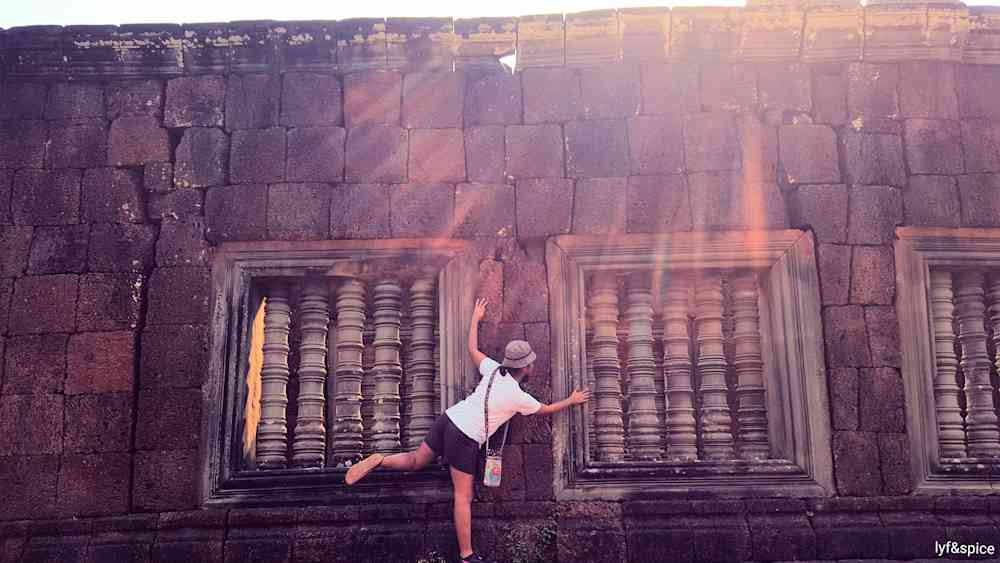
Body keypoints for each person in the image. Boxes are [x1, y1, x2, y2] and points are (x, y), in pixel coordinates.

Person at [345, 297, 591, 563]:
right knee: (463, 496)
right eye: (530, 363)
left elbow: (472, 349)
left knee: (416, 459)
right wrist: (572, 400)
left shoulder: (493, 370)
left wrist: (475, 317)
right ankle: (466, 556)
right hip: (465, 436)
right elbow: (546, 409)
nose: (532, 365)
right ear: (525, 367)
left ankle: (381, 459)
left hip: (449, 418)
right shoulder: (518, 397)